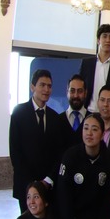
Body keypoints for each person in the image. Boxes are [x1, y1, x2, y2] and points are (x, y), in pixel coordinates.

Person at [56, 112, 110, 219]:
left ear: (102, 134)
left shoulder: (109, 160)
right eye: (86, 128)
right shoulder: (70, 157)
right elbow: (64, 198)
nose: (89, 133)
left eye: (94, 129)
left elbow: (108, 199)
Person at [8, 68, 70, 207]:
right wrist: (32, 184)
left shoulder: (55, 118)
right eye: (42, 85)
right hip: (25, 186)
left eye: (49, 86)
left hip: (48, 186)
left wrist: (47, 180)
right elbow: (16, 152)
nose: (46, 89)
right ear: (32, 87)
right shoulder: (18, 114)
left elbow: (59, 153)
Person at [81, 23, 110, 111]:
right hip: (88, 112)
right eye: (104, 36)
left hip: (109, 114)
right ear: (98, 40)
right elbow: (81, 89)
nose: (108, 40)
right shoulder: (86, 64)